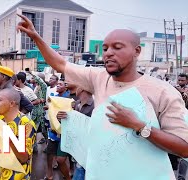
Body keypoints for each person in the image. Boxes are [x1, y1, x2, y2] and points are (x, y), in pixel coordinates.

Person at [18, 15, 188, 178]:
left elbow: (184, 148)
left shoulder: (163, 91)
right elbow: (61, 64)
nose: (108, 53)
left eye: (117, 47)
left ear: (137, 51)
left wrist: (139, 126)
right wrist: (35, 36)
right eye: (105, 48)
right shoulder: (99, 77)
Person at [0, 88, 36, 180]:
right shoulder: (1, 119)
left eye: (0, 100)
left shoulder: (25, 123)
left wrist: (10, 141)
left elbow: (24, 158)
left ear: (12, 104)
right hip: (2, 173)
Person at [57, 88, 94, 180]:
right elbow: (70, 122)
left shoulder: (95, 105)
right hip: (74, 141)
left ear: (81, 88)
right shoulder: (76, 103)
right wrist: (61, 118)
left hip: (86, 148)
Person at [45, 80, 71, 180]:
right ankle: (49, 174)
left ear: (66, 87)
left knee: (64, 158)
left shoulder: (69, 99)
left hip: (64, 132)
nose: (57, 86)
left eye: (60, 84)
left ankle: (69, 174)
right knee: (49, 152)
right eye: (58, 84)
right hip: (53, 131)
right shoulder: (55, 97)